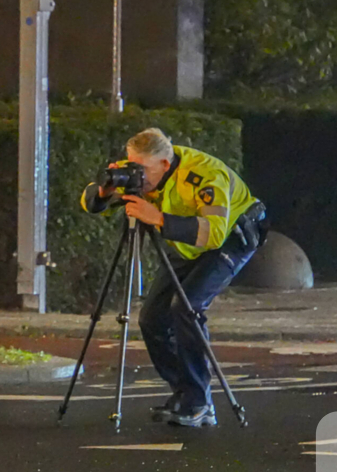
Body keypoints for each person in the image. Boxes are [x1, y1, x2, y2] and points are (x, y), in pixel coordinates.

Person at [80, 128, 267, 426]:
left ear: (165, 165)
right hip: (185, 245)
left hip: (230, 238)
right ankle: (187, 393)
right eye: (131, 166)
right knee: (152, 318)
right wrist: (104, 191)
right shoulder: (146, 169)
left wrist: (157, 218)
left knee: (186, 307)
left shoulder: (205, 176)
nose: (135, 175)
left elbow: (213, 233)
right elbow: (91, 205)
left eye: (140, 170)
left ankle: (197, 402)